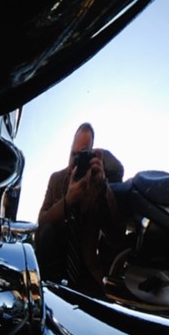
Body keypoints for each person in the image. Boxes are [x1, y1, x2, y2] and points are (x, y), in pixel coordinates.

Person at [35, 123, 123, 293]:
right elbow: (42, 224)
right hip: (53, 267)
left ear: (91, 155)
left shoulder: (98, 184)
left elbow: (116, 235)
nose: (76, 160)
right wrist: (67, 201)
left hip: (86, 272)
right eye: (73, 154)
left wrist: (103, 186)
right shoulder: (56, 179)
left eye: (83, 154)